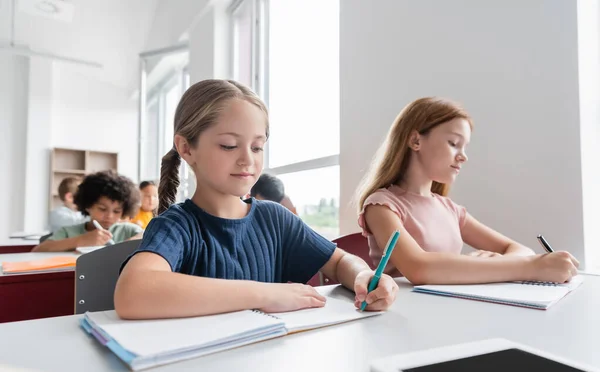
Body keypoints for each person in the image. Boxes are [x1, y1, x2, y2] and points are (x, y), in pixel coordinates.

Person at [114, 79, 398, 320]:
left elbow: (339, 262)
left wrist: (363, 276)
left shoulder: (274, 218)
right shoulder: (176, 226)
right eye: (229, 145)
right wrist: (265, 294)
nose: (247, 160)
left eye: (257, 147)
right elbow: (133, 292)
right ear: (187, 148)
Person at [356, 97, 578, 285]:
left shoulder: (451, 210)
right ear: (415, 140)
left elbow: (520, 249)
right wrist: (531, 267)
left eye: (465, 147)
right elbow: (418, 268)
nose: (463, 156)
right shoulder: (381, 206)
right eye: (453, 143)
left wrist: (498, 261)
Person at [33, 171, 142, 252]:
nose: (109, 216)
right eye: (102, 209)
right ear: (88, 205)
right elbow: (38, 250)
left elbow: (147, 235)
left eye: (117, 211)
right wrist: (82, 240)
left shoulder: (127, 230)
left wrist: (133, 241)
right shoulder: (69, 232)